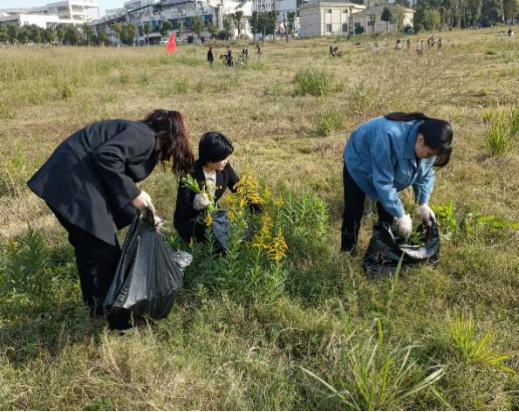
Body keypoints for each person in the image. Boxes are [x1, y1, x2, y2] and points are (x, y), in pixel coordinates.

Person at [27, 110, 195, 328]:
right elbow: (106, 156)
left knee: (89, 249)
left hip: (64, 183)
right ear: (169, 138)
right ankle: (119, 323)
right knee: (106, 253)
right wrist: (134, 194)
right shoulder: (144, 136)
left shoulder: (134, 131)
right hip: (75, 184)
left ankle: (96, 310)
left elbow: (112, 178)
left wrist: (144, 216)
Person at [341, 112, 454, 254]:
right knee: (354, 209)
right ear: (420, 139)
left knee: (388, 212)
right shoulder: (389, 136)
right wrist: (400, 214)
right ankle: (347, 252)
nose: (429, 158)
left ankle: (382, 252)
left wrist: (423, 203)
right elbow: (384, 182)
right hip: (360, 159)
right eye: (429, 154)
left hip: (384, 163)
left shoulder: (433, 143)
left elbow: (426, 173)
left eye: (433, 156)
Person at [174, 132, 259, 247]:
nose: (226, 160)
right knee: (219, 243)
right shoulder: (190, 174)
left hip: (213, 216)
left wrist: (259, 210)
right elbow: (183, 210)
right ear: (210, 157)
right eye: (223, 157)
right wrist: (196, 205)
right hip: (192, 220)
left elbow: (240, 188)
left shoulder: (225, 167)